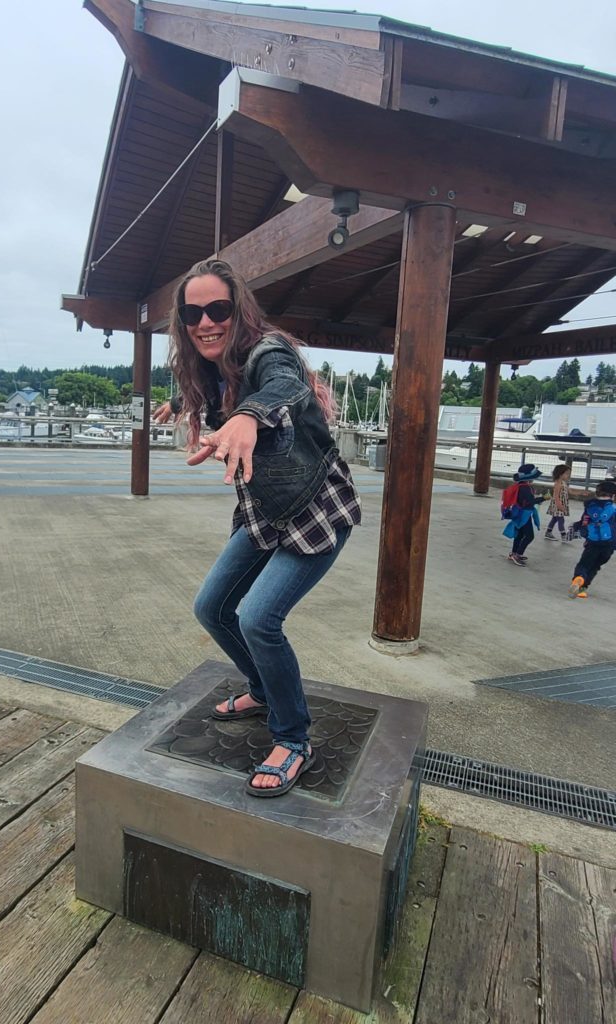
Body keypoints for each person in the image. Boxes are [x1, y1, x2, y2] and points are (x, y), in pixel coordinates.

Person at [161, 258, 361, 798]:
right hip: (263, 512)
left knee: (258, 618)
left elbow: (284, 384)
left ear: (238, 310)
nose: (205, 322)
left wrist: (249, 416)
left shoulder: (269, 350)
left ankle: (293, 737)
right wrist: (178, 401)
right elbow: (216, 388)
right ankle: (262, 689)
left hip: (314, 509)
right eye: (193, 312)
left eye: (218, 309)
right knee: (211, 607)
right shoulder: (214, 365)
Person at [568, 479, 616, 598]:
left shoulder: (590, 506)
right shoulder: (613, 510)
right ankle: (582, 589)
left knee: (584, 564)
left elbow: (584, 522)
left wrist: (577, 528)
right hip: (609, 545)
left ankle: (578, 578)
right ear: (613, 496)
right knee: (595, 566)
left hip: (592, 542)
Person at [502, 463, 544, 566]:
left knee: (520, 534)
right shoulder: (526, 488)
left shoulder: (520, 486)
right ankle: (517, 555)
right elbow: (530, 501)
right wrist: (544, 498)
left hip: (519, 513)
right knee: (529, 536)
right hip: (524, 514)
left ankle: (514, 553)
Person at [544, 463, 571, 541]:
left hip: (560, 505)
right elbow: (556, 496)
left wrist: (581, 492)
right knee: (561, 520)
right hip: (558, 505)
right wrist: (560, 506)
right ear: (560, 474)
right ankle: (563, 535)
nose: (568, 476)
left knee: (554, 519)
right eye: (567, 474)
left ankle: (548, 532)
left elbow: (570, 491)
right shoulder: (558, 484)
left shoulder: (563, 483)